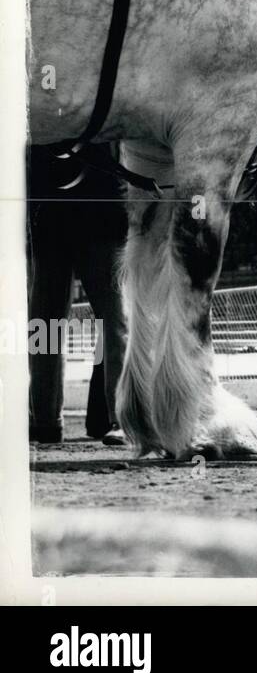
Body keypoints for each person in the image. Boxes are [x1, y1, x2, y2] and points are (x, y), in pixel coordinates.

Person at [27, 143, 128, 446]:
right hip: (55, 214)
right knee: (45, 324)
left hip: (100, 214)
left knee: (113, 321)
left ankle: (120, 418)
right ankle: (44, 421)